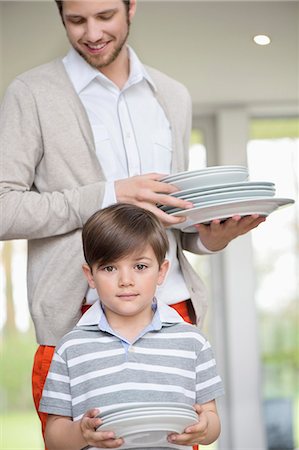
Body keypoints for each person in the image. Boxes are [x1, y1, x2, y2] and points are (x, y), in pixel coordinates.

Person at [0, 0, 264, 439]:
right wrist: (109, 193)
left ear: (131, 7)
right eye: (76, 20)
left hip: (172, 309)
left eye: (105, 16)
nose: (91, 33)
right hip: (75, 315)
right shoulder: (31, 93)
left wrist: (211, 238)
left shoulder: (172, 95)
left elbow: (173, 221)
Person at [39, 203, 225, 450]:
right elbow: (54, 438)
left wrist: (204, 428)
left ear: (162, 271)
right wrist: (81, 433)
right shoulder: (71, 348)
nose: (126, 281)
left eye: (140, 267)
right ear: (90, 276)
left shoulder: (193, 343)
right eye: (109, 268)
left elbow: (211, 421)